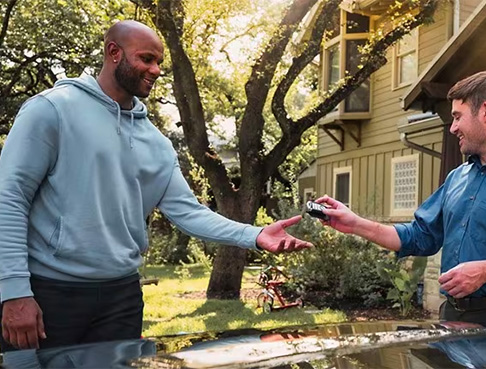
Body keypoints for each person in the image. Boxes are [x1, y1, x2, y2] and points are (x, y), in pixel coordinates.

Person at [0, 20, 312, 352]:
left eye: (159, 61)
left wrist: (255, 235)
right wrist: (14, 290)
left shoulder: (155, 142)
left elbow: (189, 213)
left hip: (121, 299)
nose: (157, 70)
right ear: (113, 53)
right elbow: (9, 198)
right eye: (146, 59)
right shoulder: (52, 111)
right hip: (49, 292)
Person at [315, 71, 486, 328]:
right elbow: (420, 236)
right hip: (454, 317)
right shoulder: (457, 178)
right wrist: (355, 224)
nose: (452, 127)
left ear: (485, 112)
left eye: (457, 117)